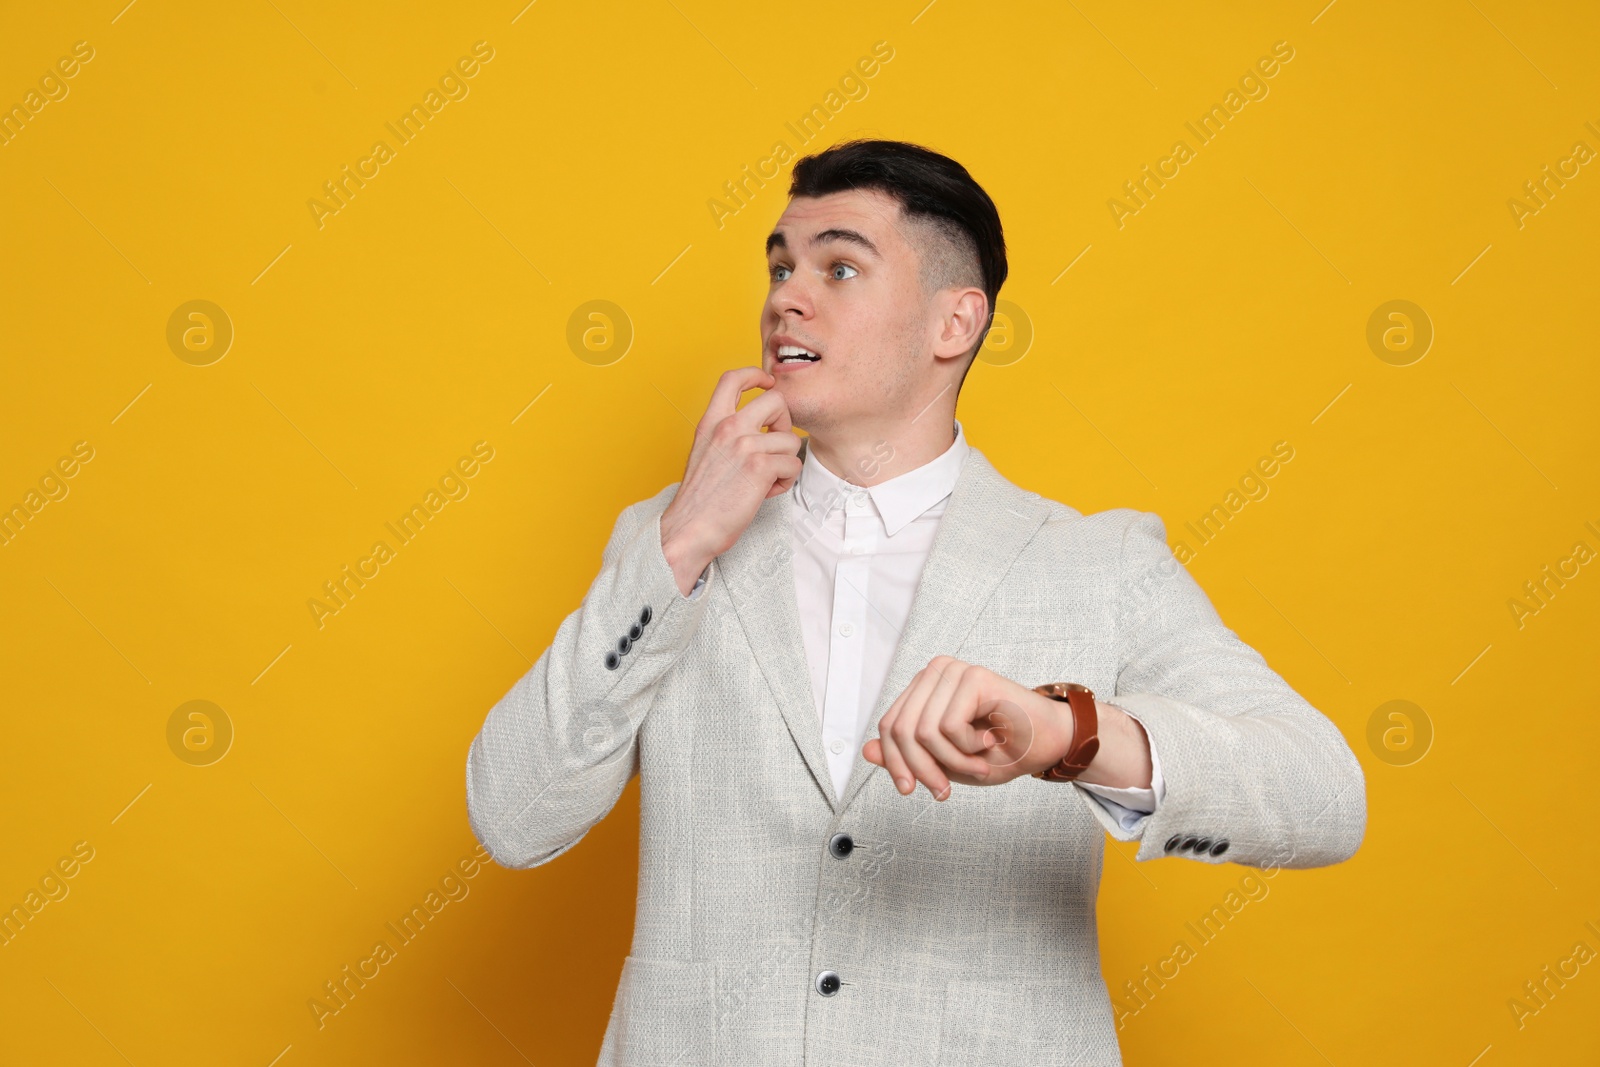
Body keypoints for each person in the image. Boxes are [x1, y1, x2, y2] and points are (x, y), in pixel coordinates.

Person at [465, 139, 1366, 1065]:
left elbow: (1324, 793)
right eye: (780, 266)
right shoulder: (665, 542)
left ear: (954, 324)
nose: (785, 297)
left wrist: (1071, 733)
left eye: (839, 266)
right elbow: (514, 814)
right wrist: (682, 543)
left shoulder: (1100, 564)